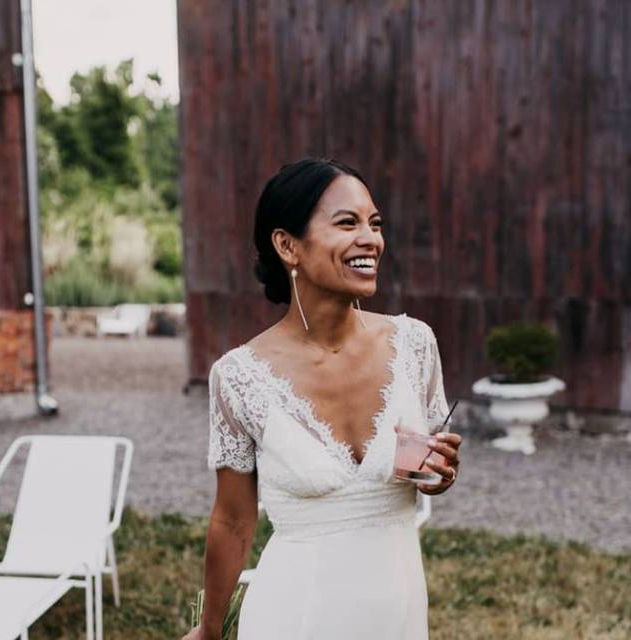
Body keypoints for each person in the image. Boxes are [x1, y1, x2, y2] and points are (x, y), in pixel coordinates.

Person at [183, 158, 463, 640]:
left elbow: (429, 467)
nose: (371, 239)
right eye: (347, 223)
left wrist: (440, 475)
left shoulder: (415, 345)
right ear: (287, 245)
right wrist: (209, 630)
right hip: (293, 613)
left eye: (375, 224)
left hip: (397, 613)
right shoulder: (239, 377)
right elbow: (232, 519)